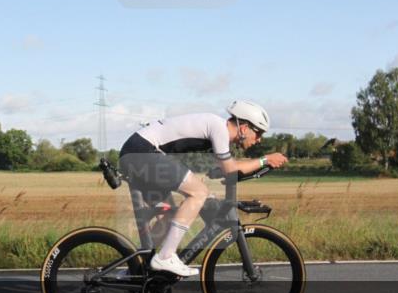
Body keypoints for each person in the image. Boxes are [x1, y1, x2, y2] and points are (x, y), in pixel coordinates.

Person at [118, 100, 288, 277]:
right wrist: (265, 160)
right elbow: (231, 169)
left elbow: (226, 167)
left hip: (136, 151)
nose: (259, 139)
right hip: (143, 151)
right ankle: (166, 256)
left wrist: (223, 172)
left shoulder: (216, 131)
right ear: (244, 128)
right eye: (258, 133)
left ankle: (135, 270)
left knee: (168, 217)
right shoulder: (219, 128)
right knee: (199, 192)